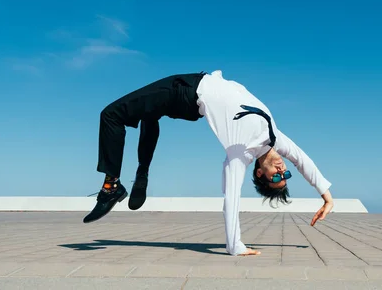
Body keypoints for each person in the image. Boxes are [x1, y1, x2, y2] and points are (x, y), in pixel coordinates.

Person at [83, 70, 334, 256]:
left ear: (259, 173)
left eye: (276, 178)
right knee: (150, 113)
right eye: (285, 175)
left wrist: (235, 245)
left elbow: (231, 199)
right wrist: (327, 197)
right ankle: (142, 172)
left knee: (111, 114)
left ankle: (111, 186)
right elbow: (303, 161)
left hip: (185, 91)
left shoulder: (241, 152)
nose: (282, 171)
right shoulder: (276, 139)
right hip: (192, 96)